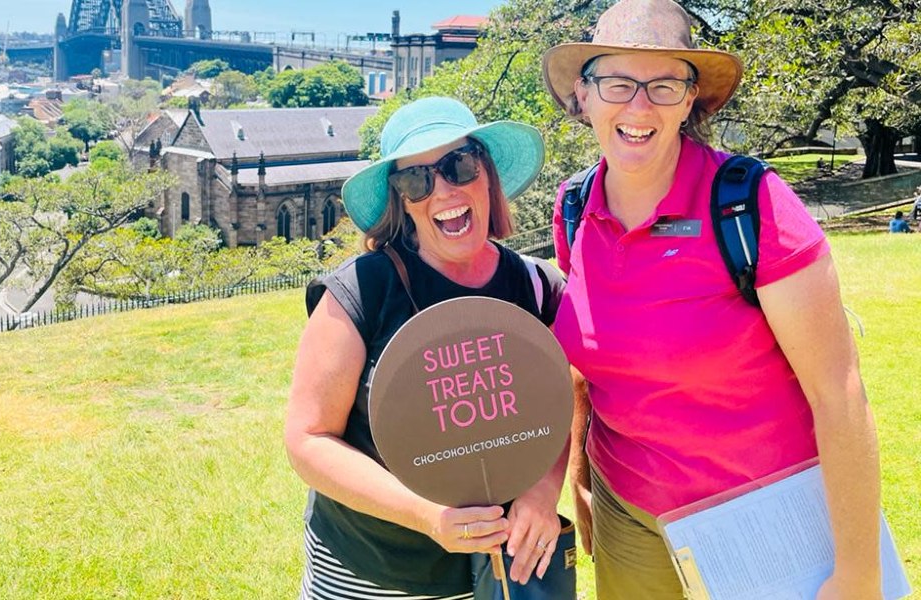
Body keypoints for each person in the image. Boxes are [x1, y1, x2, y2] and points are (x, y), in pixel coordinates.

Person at [541, 0, 882, 598]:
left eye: (664, 84)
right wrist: (580, 476)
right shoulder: (573, 211)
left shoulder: (750, 206)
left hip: (761, 515)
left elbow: (839, 392)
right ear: (583, 94)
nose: (638, 106)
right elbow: (585, 360)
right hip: (631, 520)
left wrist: (857, 572)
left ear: (692, 97)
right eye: (617, 82)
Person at [285, 96, 569, 599]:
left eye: (459, 165)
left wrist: (543, 490)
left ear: (487, 174)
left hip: (497, 575)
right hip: (370, 571)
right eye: (416, 180)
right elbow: (308, 440)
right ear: (401, 201)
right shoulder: (361, 291)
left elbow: (561, 402)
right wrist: (427, 515)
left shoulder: (537, 286)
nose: (443, 190)